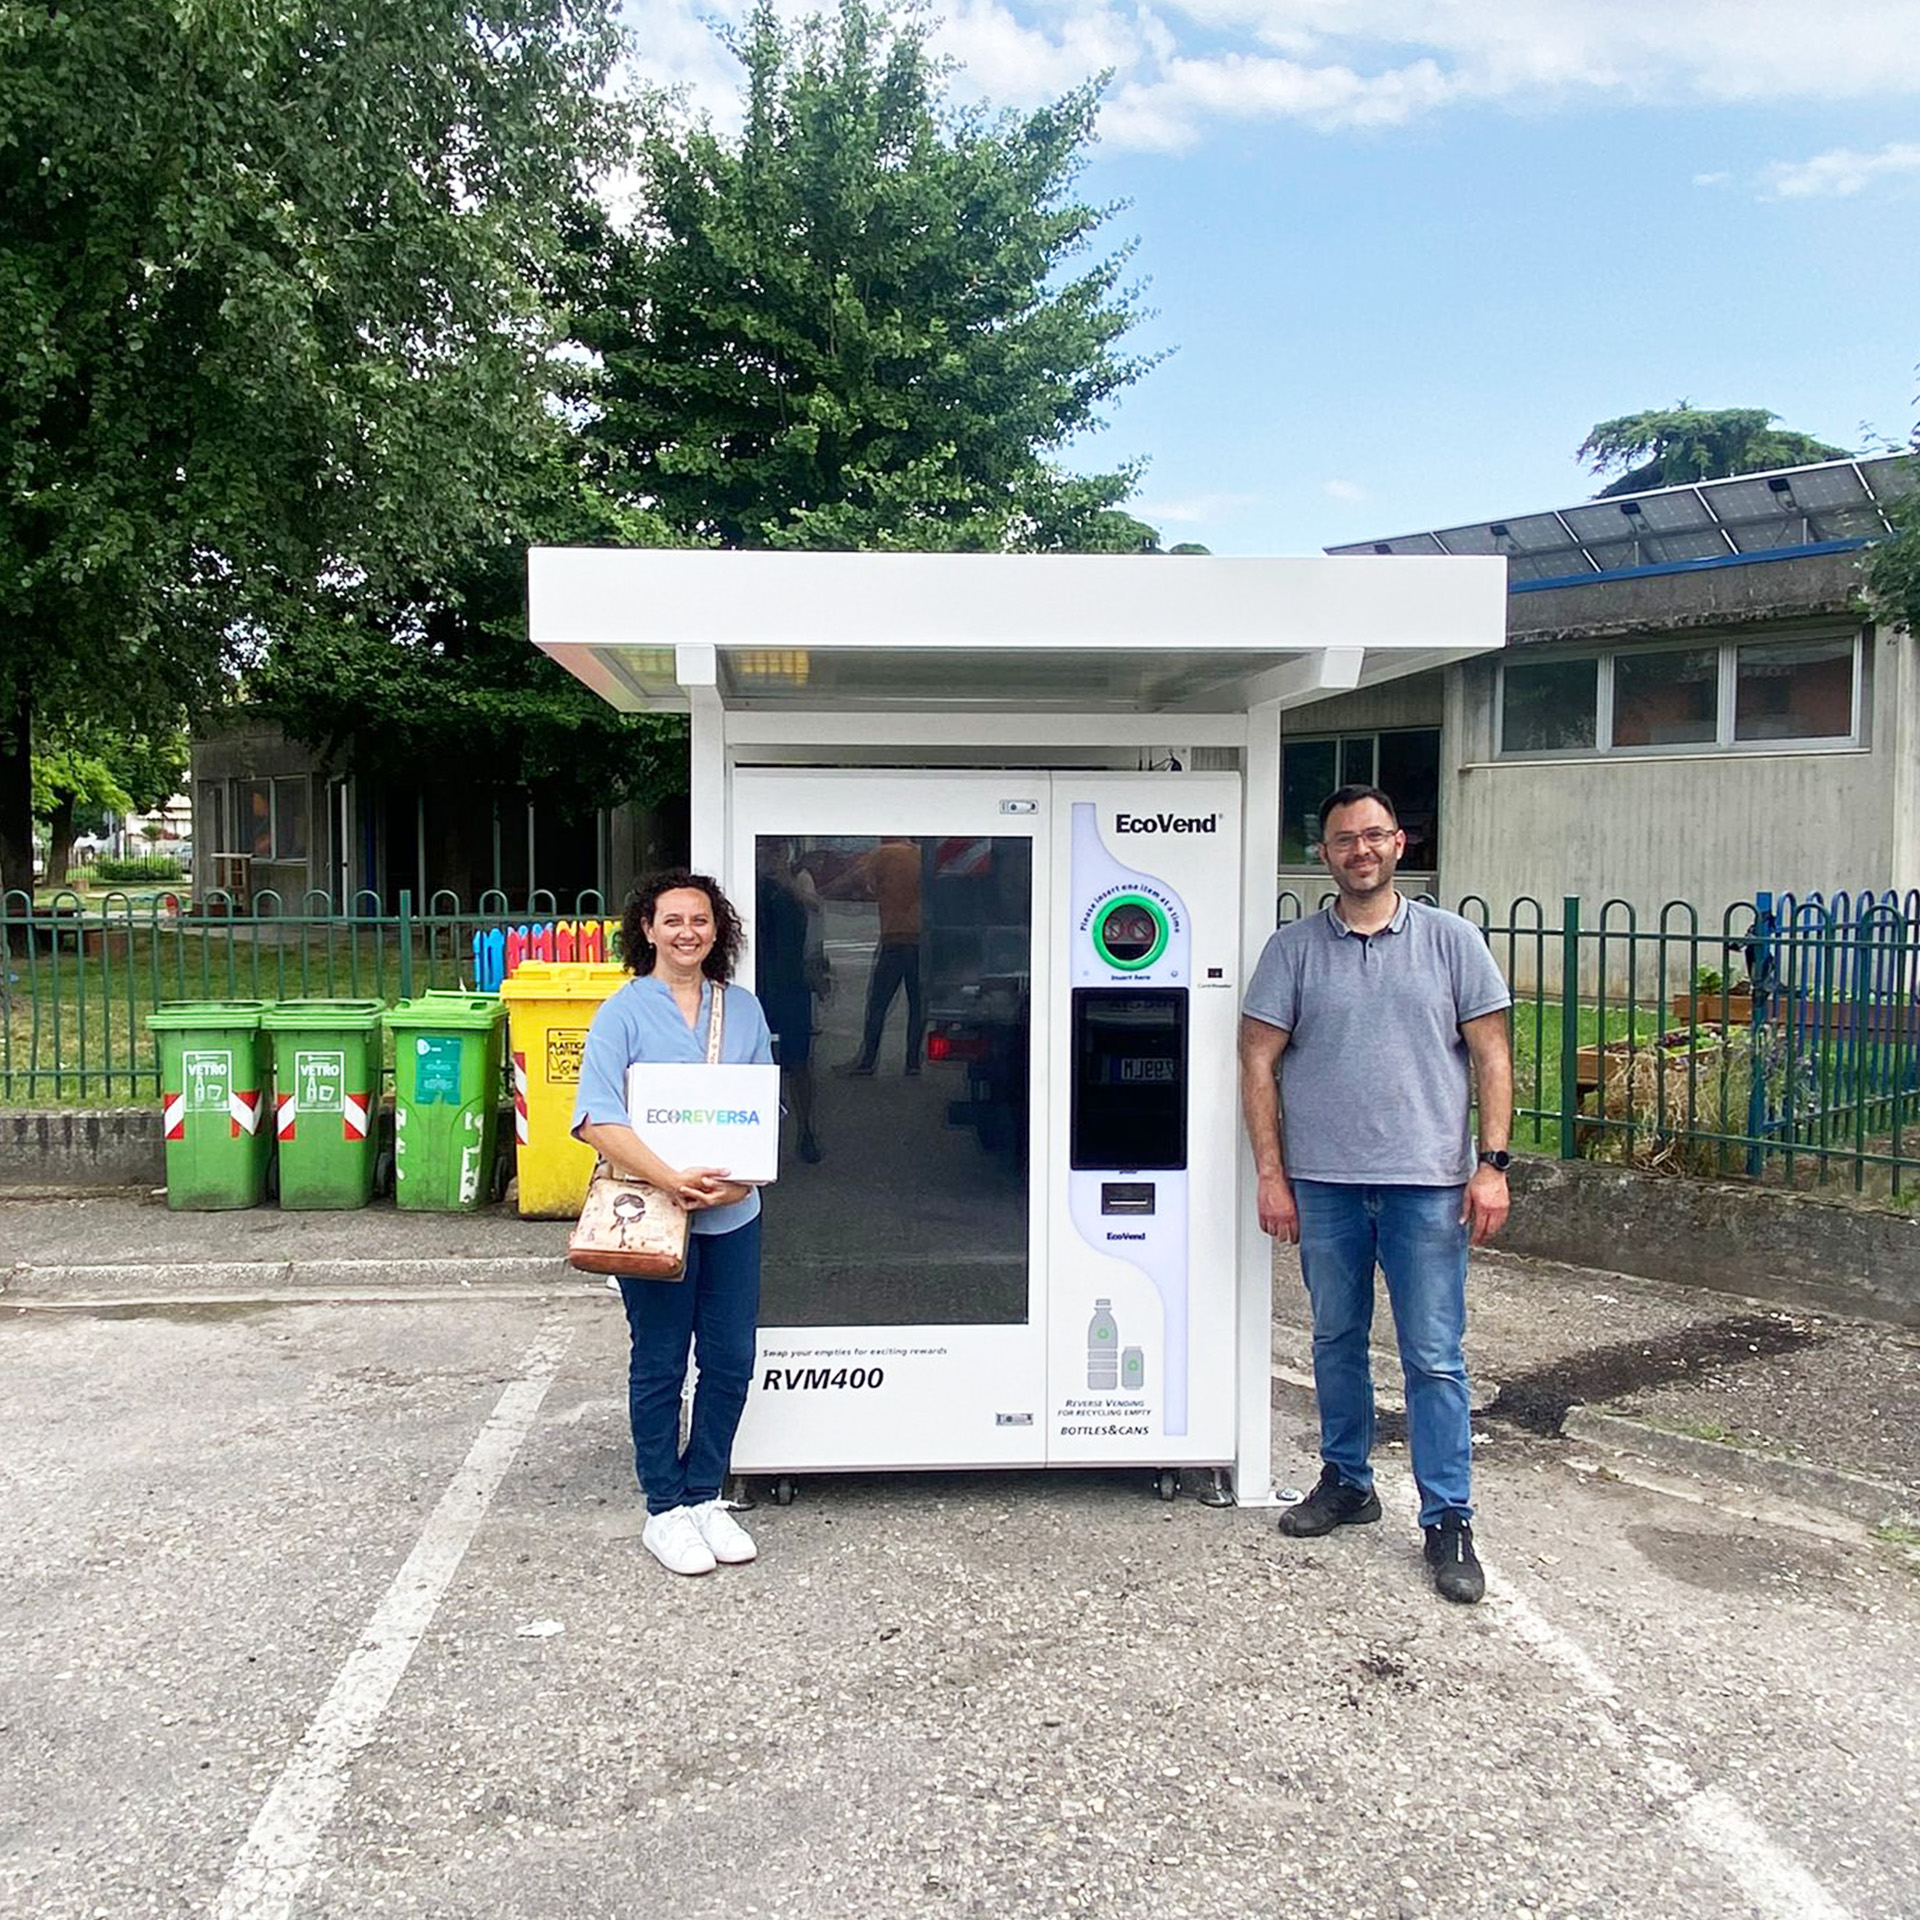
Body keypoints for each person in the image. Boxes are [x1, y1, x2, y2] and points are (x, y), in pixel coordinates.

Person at [1239, 785, 1514, 1605]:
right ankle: (1347, 1481)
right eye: (1342, 840)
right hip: (1324, 1184)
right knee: (1335, 1340)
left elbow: (1493, 1057)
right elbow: (1257, 1062)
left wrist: (1493, 1164)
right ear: (1323, 854)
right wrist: (1272, 1173)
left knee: (1433, 1356)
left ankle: (1448, 1519)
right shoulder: (1292, 951)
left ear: (1399, 843)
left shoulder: (1453, 942)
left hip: (1427, 1187)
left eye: (1373, 836)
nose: (1359, 850)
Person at [572, 870, 775, 1578]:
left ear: (718, 931)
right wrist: (669, 1179)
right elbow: (597, 1118)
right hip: (652, 1217)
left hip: (734, 1215)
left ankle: (704, 1494)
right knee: (660, 1362)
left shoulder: (742, 1010)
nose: (687, 932)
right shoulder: (622, 1014)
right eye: (673, 920)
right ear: (648, 930)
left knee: (731, 1360)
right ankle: (664, 1507)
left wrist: (741, 1180)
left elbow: (762, 1107)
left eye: (700, 920)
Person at [828, 835, 924, 1076]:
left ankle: (868, 1060)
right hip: (922, 941)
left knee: (878, 1003)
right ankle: (913, 1062)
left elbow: (852, 880)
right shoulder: (920, 855)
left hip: (894, 939)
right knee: (918, 1005)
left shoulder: (883, 854)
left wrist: (821, 892)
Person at [755, 839, 823, 1162]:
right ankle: (758, 1137)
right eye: (764, 850)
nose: (769, 857)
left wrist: (784, 879)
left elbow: (814, 906)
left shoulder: (798, 879)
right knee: (756, 1062)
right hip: (758, 983)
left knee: (798, 1062)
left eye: (776, 850)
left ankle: (806, 1130)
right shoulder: (748, 880)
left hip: (792, 983)